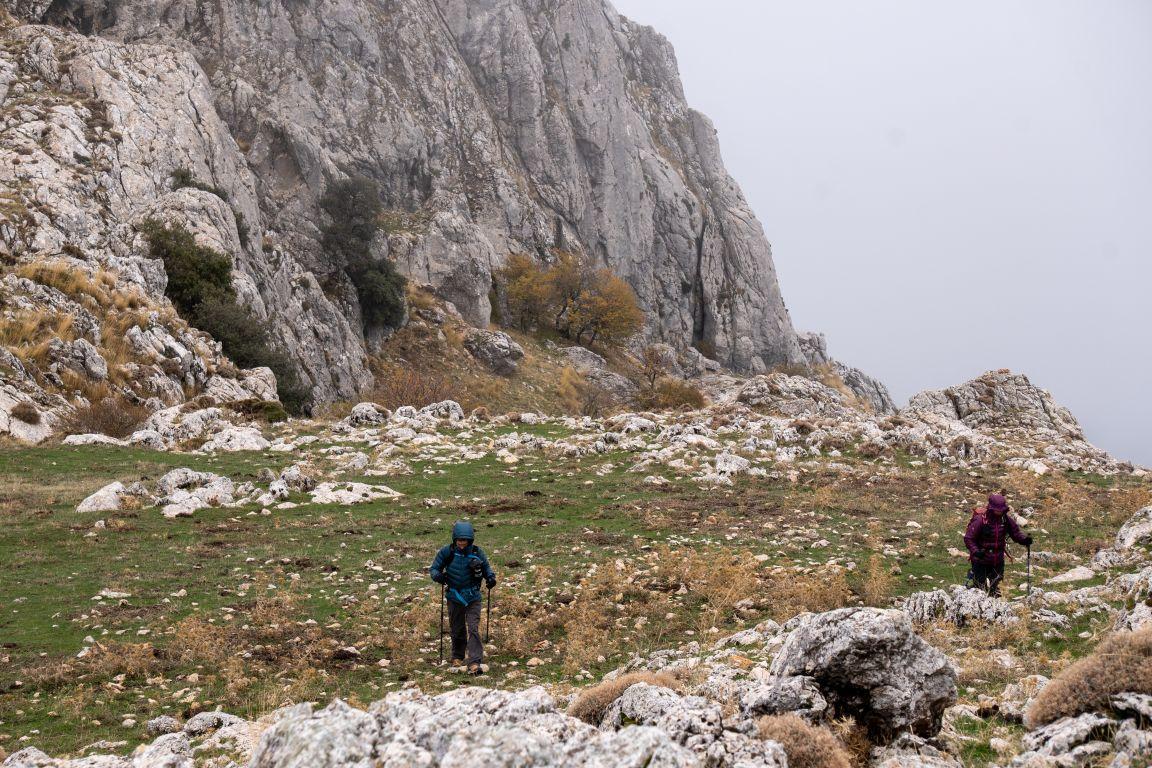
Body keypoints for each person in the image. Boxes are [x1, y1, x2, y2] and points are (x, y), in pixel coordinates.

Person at [429, 520, 496, 675]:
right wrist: (438, 576)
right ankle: (457, 656)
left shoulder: (478, 553)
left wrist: (491, 578)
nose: (461, 543)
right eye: (459, 540)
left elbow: (487, 568)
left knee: (473, 628)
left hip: (473, 596)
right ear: (454, 539)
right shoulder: (447, 552)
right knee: (457, 628)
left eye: (464, 540)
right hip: (454, 596)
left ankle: (474, 661)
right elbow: (434, 568)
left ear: (470, 540)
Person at [964, 492, 1032, 597]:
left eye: (1001, 510)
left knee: (995, 589)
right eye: (997, 510)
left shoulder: (1005, 519)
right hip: (980, 560)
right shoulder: (980, 520)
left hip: (998, 561)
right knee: (979, 588)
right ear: (991, 508)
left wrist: (1024, 540)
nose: (999, 512)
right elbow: (969, 538)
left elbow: (1015, 533)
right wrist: (976, 551)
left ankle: (996, 610)